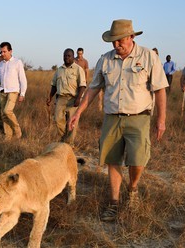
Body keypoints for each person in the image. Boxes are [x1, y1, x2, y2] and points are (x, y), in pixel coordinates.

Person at [68, 19, 168, 222]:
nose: (116, 45)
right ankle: (113, 203)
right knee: (113, 160)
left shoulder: (148, 57)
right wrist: (79, 113)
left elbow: (160, 90)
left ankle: (132, 190)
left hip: (139, 117)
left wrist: (161, 120)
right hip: (112, 118)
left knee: (137, 160)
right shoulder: (105, 60)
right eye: (113, 41)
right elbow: (94, 88)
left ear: (131, 37)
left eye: (120, 40)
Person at [0, 42, 27, 140]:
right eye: (1, 52)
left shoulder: (17, 62)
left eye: (4, 51)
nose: (2, 54)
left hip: (13, 91)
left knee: (7, 111)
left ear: (10, 51)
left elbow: (22, 79)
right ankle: (8, 136)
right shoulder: (0, 64)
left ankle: (17, 130)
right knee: (4, 115)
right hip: (2, 91)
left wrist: (22, 93)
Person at [47, 48, 86, 146]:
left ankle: (69, 144)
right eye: (65, 56)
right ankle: (64, 139)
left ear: (73, 57)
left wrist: (78, 98)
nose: (66, 57)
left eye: (69, 56)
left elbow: (82, 85)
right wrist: (50, 97)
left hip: (73, 99)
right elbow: (54, 85)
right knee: (57, 119)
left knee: (72, 122)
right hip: (61, 98)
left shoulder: (78, 69)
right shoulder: (59, 70)